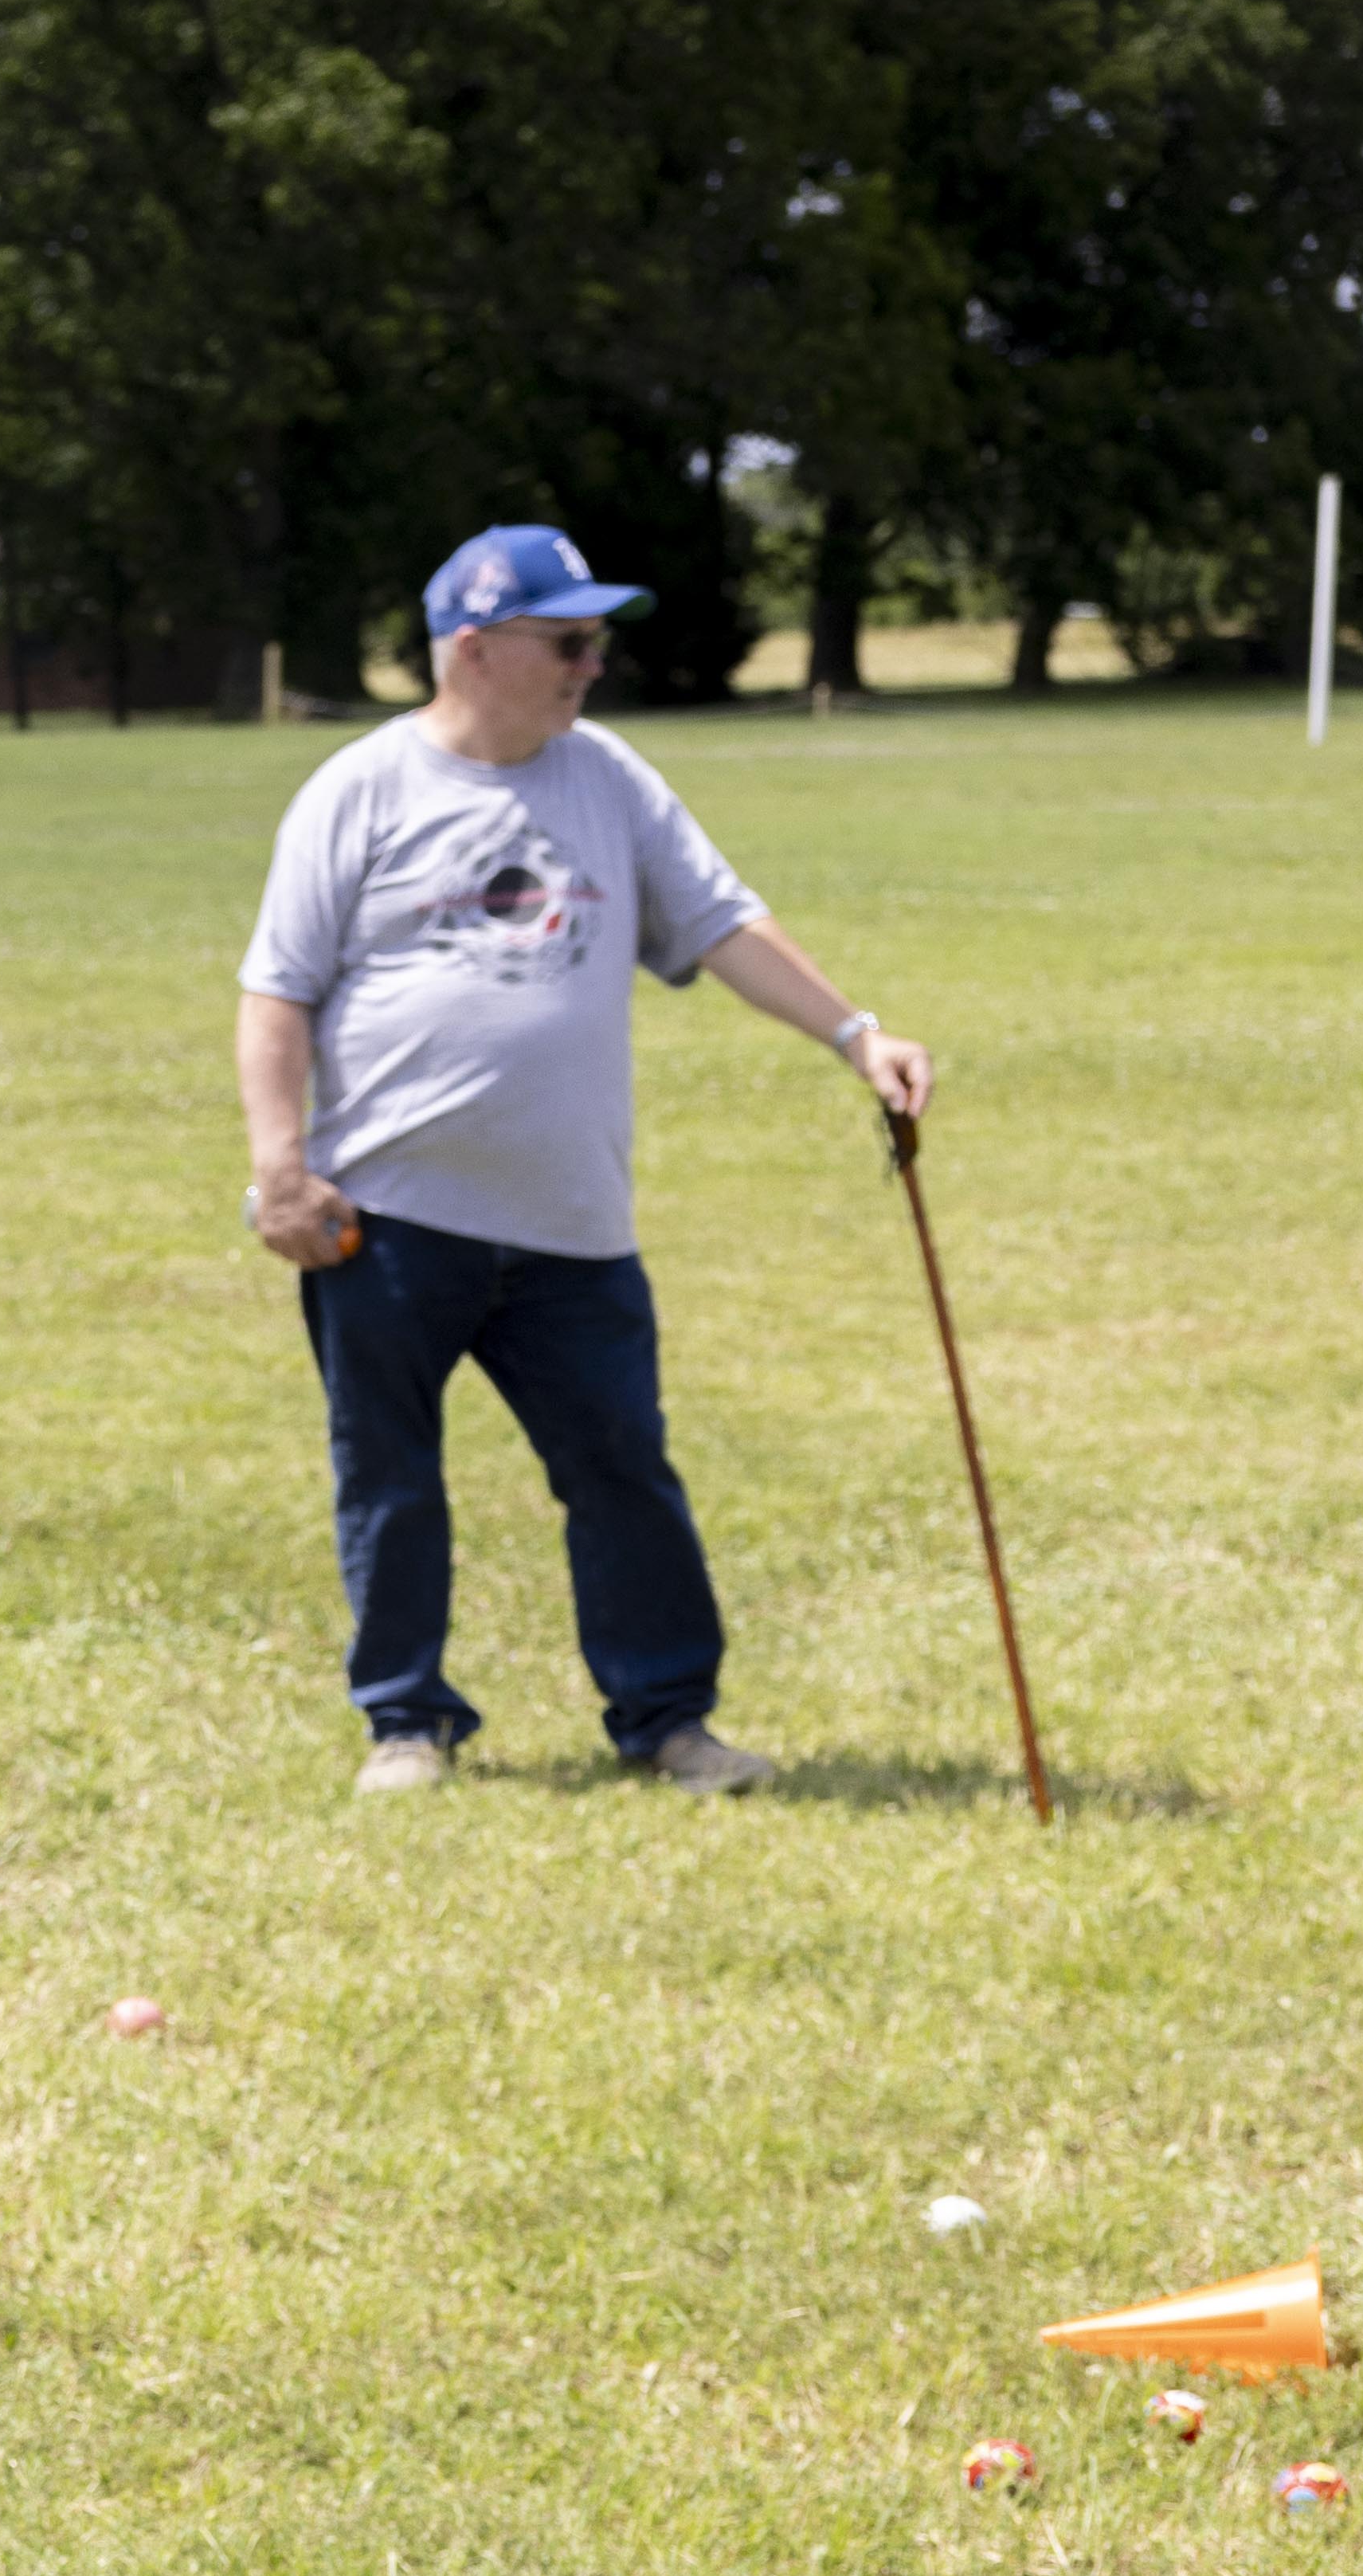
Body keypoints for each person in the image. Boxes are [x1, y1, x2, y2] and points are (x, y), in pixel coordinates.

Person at [237, 524, 938, 1793]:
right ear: (475, 647)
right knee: (389, 1476)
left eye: (597, 640)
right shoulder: (359, 789)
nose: (590, 665)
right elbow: (277, 994)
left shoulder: (607, 778)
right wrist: (280, 1171)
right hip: (389, 1215)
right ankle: (407, 1722)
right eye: (567, 641)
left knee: (624, 1472)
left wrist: (855, 1034)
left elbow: (723, 921)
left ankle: (668, 1719)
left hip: (571, 1222)